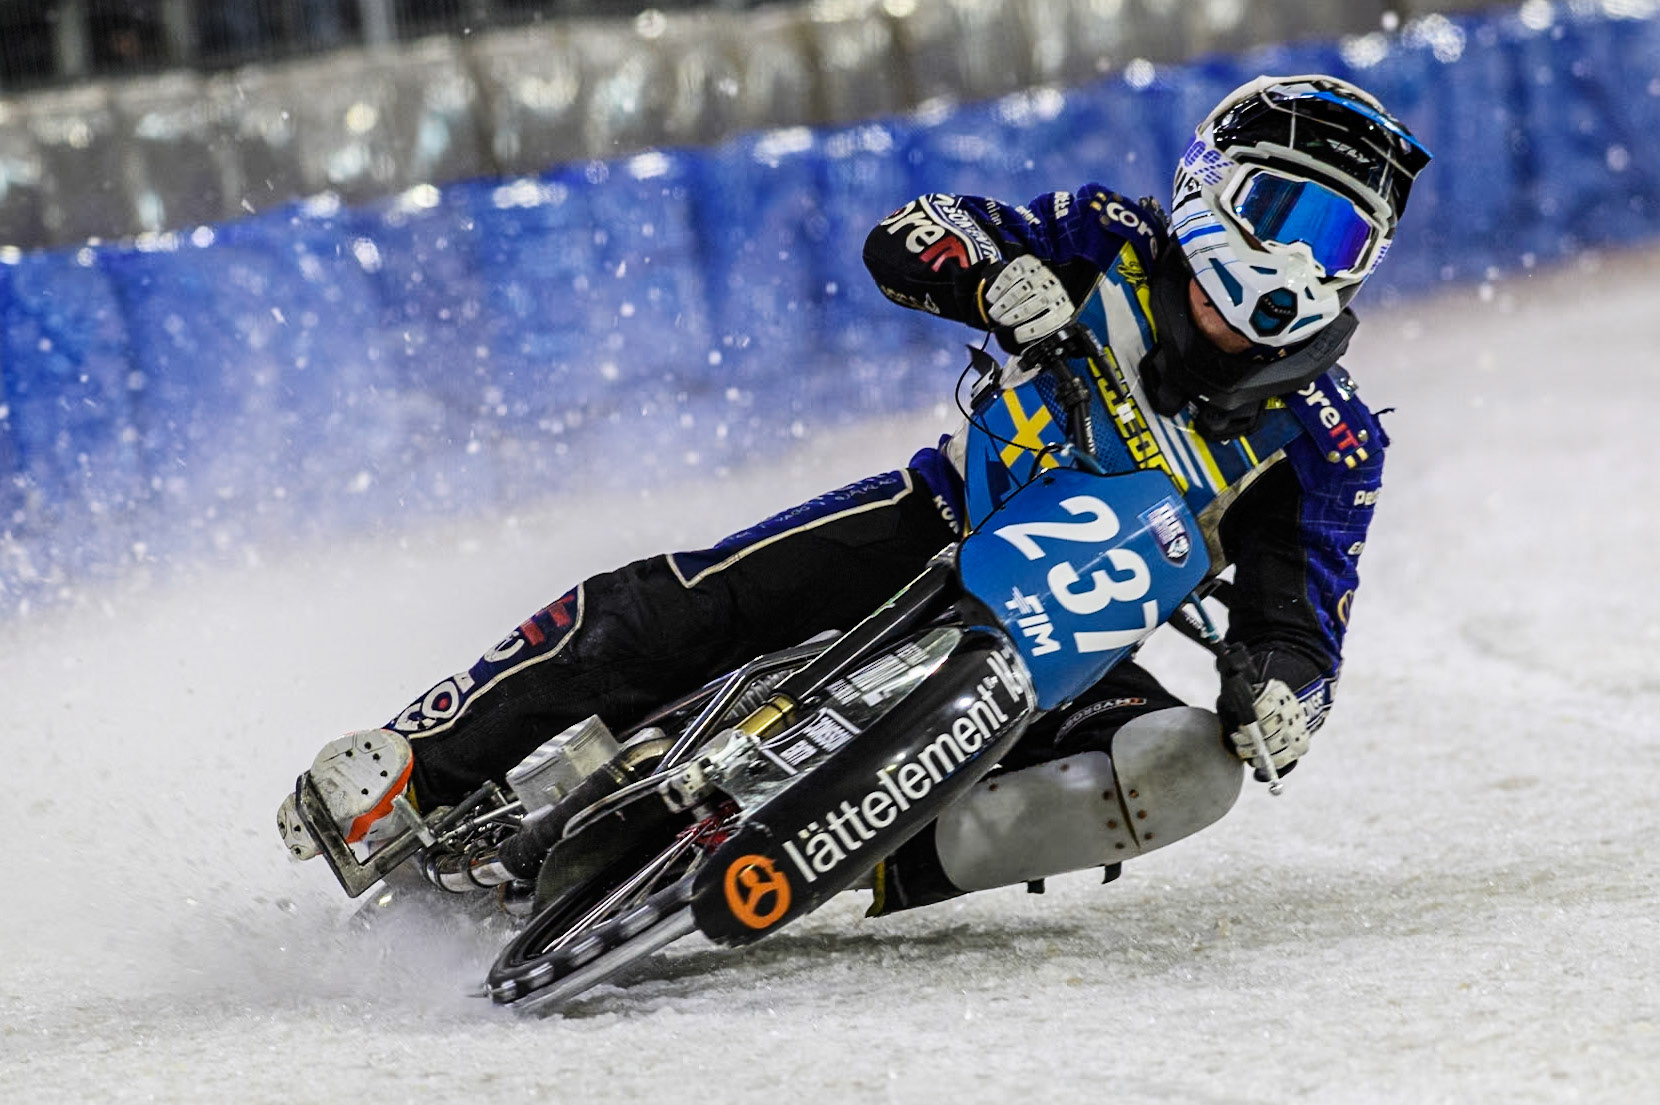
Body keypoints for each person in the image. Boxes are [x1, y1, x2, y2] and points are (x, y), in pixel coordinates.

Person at [279, 74, 1429, 913]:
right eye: (1280, 213)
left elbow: (1298, 613)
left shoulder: (1327, 440)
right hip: (934, 520)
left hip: (1063, 653)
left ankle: (853, 857)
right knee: (681, 604)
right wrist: (990, 271)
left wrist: (1283, 694)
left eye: (1336, 237)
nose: (1294, 262)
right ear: (1204, 193)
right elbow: (913, 233)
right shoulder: (1108, 240)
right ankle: (417, 763)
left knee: (1175, 767)